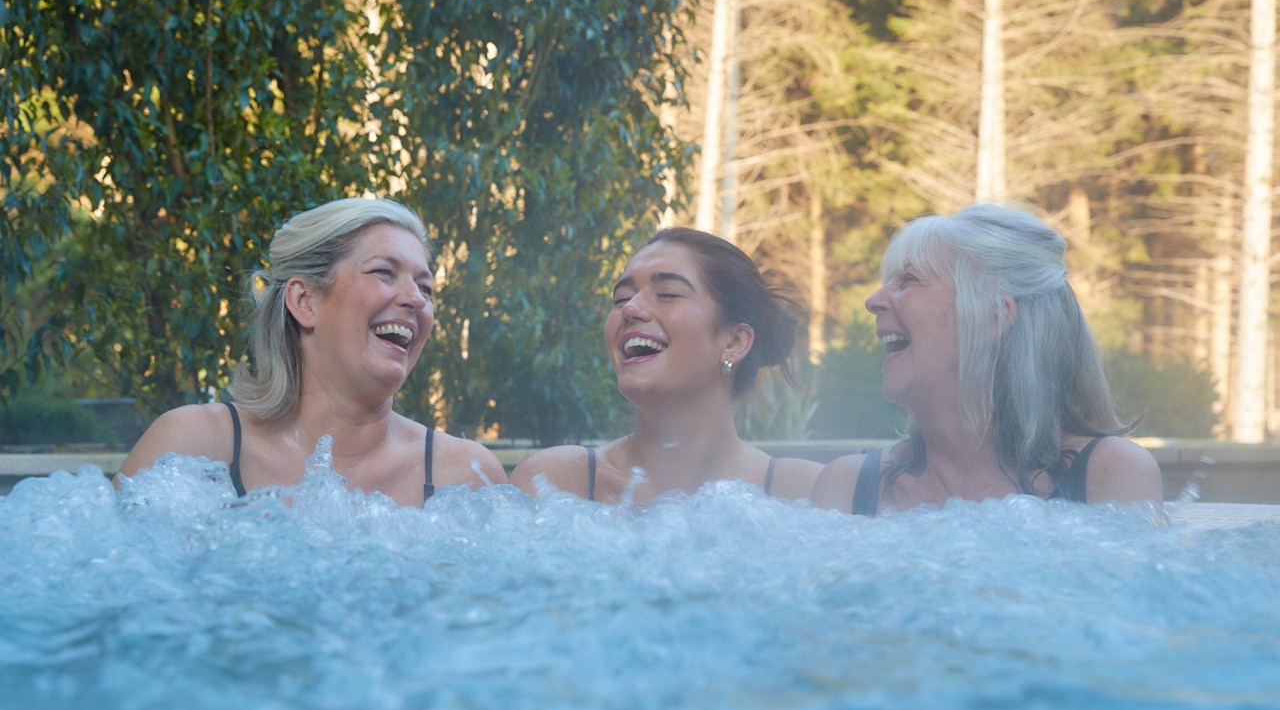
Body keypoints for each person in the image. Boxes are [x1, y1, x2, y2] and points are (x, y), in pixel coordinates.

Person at [117, 197, 506, 505]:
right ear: (304, 301)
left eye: (426, 288)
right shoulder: (195, 447)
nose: (416, 300)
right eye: (384, 272)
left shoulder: (462, 475)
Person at [811, 202, 1163, 515]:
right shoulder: (850, 487)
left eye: (908, 280)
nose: (873, 301)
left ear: (990, 318)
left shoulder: (1107, 475)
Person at [510, 227, 823, 504]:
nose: (630, 309)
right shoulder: (557, 482)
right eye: (621, 298)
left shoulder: (802, 493)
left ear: (735, 342)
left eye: (667, 294)